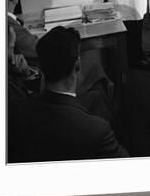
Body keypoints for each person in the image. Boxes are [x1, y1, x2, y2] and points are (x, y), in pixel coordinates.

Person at [8, 27, 128, 162]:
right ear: (78, 63)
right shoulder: (98, 131)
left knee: (96, 96)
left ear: (41, 66)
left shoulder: (14, 113)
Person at [6, 0, 113, 111]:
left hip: (32, 76)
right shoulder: (9, 25)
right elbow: (40, 49)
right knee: (95, 71)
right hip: (42, 81)